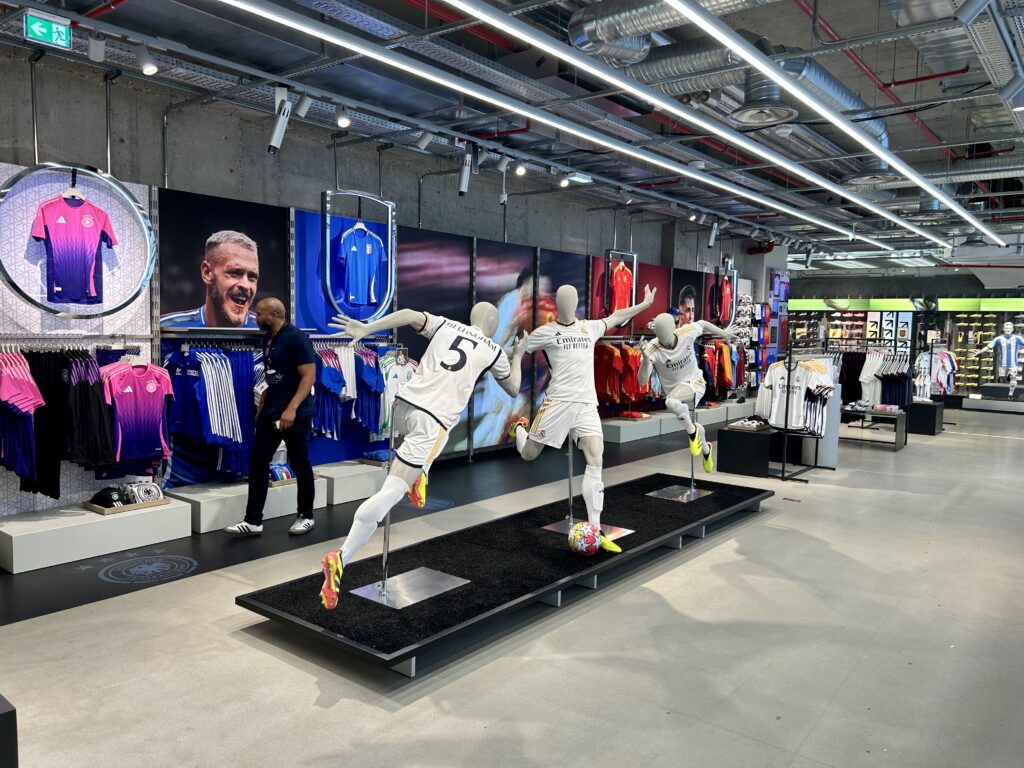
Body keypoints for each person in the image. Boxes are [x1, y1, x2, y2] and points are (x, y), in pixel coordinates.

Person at [319, 303, 527, 610]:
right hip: (431, 420)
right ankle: (342, 557)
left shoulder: (446, 324)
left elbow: (408, 314)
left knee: (436, 436)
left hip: (402, 407)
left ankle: (419, 473)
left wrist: (366, 328)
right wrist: (518, 355)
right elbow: (513, 387)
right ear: (494, 326)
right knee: (392, 490)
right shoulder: (493, 350)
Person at [508, 283, 656, 553]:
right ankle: (519, 428)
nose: (568, 303)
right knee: (529, 453)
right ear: (558, 304)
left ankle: (596, 531)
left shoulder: (590, 327)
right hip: (558, 403)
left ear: (576, 303)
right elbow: (516, 350)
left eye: (572, 299)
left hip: (587, 403)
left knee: (596, 457)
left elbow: (617, 316)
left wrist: (645, 305)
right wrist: (500, 354)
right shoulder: (545, 332)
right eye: (564, 299)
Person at [224, 298, 317, 537]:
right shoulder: (268, 339)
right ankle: (253, 520)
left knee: (300, 464)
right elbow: (273, 375)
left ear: (273, 315)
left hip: (295, 413)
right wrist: (263, 401)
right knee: (257, 462)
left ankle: (306, 516)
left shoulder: (296, 338)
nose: (255, 317)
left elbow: (309, 377)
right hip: (271, 412)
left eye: (259, 313)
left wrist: (291, 409)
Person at [638, 313, 736, 472]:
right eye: (660, 335)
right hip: (675, 391)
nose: (664, 340)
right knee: (685, 415)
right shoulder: (651, 348)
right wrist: (645, 359)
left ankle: (692, 433)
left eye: (666, 333)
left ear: (674, 328)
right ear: (655, 332)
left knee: (671, 402)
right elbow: (642, 381)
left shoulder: (686, 332)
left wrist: (723, 333)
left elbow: (703, 323)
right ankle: (706, 450)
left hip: (695, 383)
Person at [160, 230, 260, 328]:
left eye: (252, 277)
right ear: (207, 273)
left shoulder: (266, 332)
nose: (245, 285)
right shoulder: (165, 329)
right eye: (234, 273)